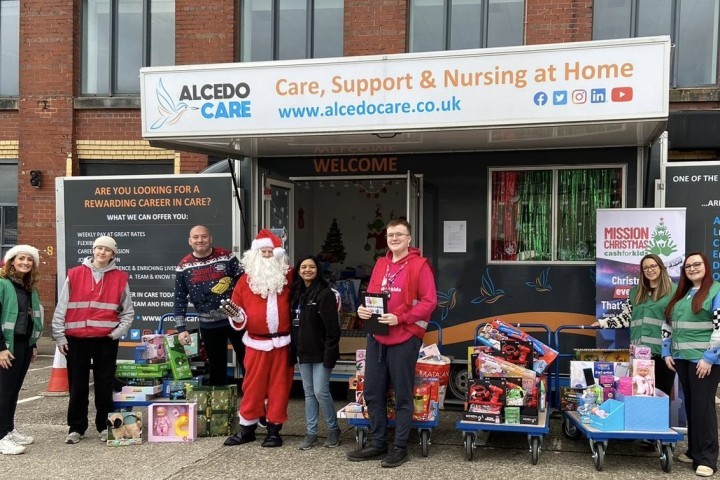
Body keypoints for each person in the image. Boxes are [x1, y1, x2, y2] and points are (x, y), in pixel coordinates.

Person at [347, 219, 437, 468]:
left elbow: (429, 302)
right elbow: (372, 297)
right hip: (377, 335)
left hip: (405, 336)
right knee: (373, 391)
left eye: (399, 234)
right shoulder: (381, 263)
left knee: (402, 395)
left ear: (409, 238)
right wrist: (363, 310)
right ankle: (378, 444)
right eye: (390, 235)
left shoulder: (420, 265)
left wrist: (401, 317)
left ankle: (399, 448)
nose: (394, 238)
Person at [52, 235, 134, 445]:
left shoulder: (120, 278)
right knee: (77, 385)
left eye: (107, 250)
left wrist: (115, 334)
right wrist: (59, 335)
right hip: (76, 339)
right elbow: (62, 306)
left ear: (113, 254)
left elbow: (128, 313)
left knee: (104, 384)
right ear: (93, 250)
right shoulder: (75, 274)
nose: (102, 252)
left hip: (105, 340)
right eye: (98, 248)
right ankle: (76, 428)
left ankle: (103, 426)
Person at [222, 229, 294, 448]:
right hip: (255, 342)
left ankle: (274, 429)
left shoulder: (289, 277)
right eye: (262, 252)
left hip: (283, 343)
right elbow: (240, 313)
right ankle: (247, 428)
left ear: (278, 254)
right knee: (252, 385)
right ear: (254, 254)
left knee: (280, 387)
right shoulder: (245, 281)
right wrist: (236, 315)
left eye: (270, 252)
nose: (266, 256)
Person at [662, 252, 720, 477]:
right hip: (682, 359)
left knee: (703, 407)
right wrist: (667, 351)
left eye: (697, 265)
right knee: (692, 406)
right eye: (688, 266)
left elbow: (719, 327)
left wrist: (709, 358)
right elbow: (668, 324)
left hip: (704, 361)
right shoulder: (682, 294)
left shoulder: (715, 290)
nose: (692, 268)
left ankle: (707, 458)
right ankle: (694, 450)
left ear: (706, 266)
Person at [592, 254, 677, 395]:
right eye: (645, 268)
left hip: (663, 353)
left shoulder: (674, 291)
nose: (650, 270)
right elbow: (626, 318)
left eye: (653, 266)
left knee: (661, 395)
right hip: (639, 354)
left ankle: (659, 418)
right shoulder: (635, 292)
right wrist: (603, 322)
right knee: (640, 394)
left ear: (661, 267)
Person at [174, 225, 245, 386]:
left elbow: (244, 284)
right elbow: (179, 299)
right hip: (209, 325)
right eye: (196, 237)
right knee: (216, 368)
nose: (200, 240)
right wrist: (181, 328)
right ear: (190, 241)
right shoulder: (183, 266)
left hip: (236, 321)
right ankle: (219, 409)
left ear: (210, 238)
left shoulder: (227, 256)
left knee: (248, 363)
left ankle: (256, 407)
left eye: (204, 236)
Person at [290, 255, 342, 450]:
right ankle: (311, 433)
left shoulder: (325, 293)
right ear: (298, 270)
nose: (307, 270)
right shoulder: (296, 294)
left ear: (318, 270)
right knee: (309, 393)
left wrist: (330, 354)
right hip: (303, 353)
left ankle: (333, 429)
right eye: (303, 267)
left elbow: (333, 329)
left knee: (321, 391)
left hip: (322, 353)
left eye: (311, 267)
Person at [0, 245, 43, 455]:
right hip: (6, 346)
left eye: (29, 259)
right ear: (11, 261)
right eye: (21, 258)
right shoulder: (2, 284)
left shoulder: (28, 287)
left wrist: (33, 344)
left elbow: (29, 318)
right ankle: (0, 436)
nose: (25, 262)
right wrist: (0, 348)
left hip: (23, 345)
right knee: (3, 391)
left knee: (14, 390)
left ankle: (9, 429)